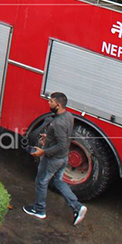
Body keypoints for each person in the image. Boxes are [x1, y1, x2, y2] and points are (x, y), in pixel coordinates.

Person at [23, 92, 86, 225]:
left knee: (41, 182)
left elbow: (62, 145)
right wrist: (49, 137)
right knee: (57, 181)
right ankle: (77, 206)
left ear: (58, 105)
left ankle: (39, 210)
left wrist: (43, 151)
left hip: (52, 159)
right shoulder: (68, 116)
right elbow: (64, 137)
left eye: (51, 101)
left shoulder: (58, 123)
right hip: (63, 159)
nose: (48, 103)